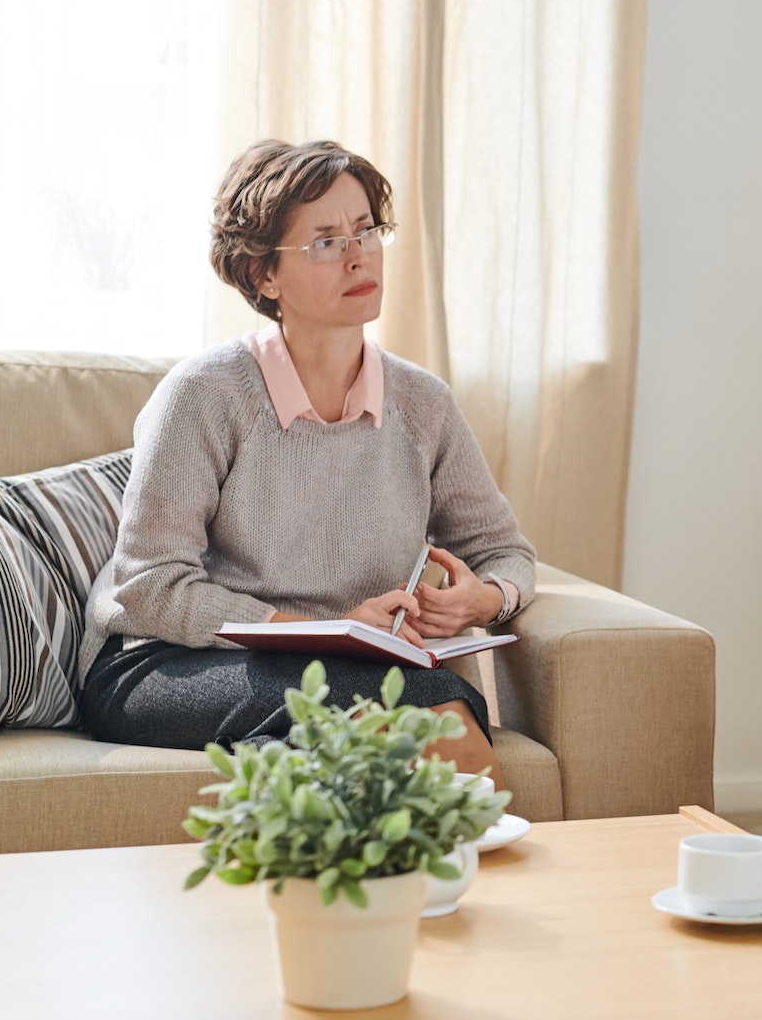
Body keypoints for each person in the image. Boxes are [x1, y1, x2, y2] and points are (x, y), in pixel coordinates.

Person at [79, 138, 536, 776]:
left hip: (341, 666)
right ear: (263, 274)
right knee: (428, 710)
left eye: (367, 230)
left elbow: (505, 551)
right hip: (166, 662)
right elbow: (149, 587)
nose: (358, 255)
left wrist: (485, 600)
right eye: (325, 242)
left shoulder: (423, 404)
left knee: (417, 711)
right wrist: (328, 628)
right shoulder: (204, 395)